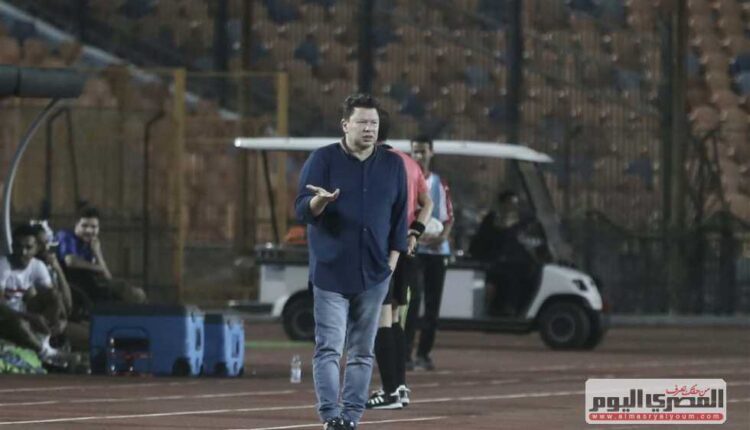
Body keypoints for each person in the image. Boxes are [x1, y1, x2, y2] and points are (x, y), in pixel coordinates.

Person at [295, 93, 408, 430]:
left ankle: (352, 417)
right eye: (362, 122)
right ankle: (331, 415)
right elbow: (302, 209)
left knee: (362, 352)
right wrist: (319, 201)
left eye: (374, 123)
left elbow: (400, 219)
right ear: (345, 125)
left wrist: (391, 264)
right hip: (330, 272)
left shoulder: (393, 165)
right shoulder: (323, 160)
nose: (369, 128)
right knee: (329, 348)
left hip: (374, 275)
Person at [366, 111, 433, 410]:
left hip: (385, 247)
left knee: (382, 317)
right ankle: (399, 388)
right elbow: (427, 203)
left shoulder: (377, 163)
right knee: (393, 317)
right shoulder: (409, 162)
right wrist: (415, 232)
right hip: (406, 247)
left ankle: (391, 391)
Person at [405, 135, 454, 371]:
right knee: (411, 301)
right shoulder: (406, 182)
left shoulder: (439, 183)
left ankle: (424, 353)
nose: (419, 156)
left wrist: (441, 238)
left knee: (432, 305)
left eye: (423, 151)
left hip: (436, 251)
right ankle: (405, 354)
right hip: (413, 249)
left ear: (431, 153)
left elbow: (448, 218)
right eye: (415, 151)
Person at [55, 204, 146, 313]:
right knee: (125, 290)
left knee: (133, 293)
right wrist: (97, 268)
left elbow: (108, 278)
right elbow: (70, 261)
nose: (89, 230)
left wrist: (97, 253)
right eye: (84, 226)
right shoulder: (66, 236)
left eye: (93, 227)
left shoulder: (91, 244)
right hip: (72, 286)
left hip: (91, 286)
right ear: (76, 225)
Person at [469, 190, 546, 317]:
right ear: (502, 204)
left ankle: (515, 308)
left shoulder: (523, 221)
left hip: (515, 260)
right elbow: (481, 242)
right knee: (509, 275)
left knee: (526, 272)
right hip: (494, 260)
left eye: (515, 204)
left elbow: (530, 239)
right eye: (509, 203)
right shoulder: (492, 219)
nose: (512, 207)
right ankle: (505, 308)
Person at [0, 225, 66, 366]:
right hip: (5, 317)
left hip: (23, 312)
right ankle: (45, 354)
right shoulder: (3, 266)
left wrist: (61, 319)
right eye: (18, 247)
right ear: (12, 246)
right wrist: (30, 317)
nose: (23, 252)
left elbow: (54, 297)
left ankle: (45, 339)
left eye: (28, 247)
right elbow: (1, 308)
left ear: (36, 249)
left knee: (54, 295)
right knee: (20, 322)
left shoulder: (38, 266)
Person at [30, 221, 90, 352]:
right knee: (92, 338)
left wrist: (57, 269)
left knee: (97, 330)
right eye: (40, 244)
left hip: (62, 320)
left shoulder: (49, 267)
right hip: (45, 325)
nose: (45, 248)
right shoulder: (31, 269)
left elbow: (68, 305)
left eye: (47, 242)